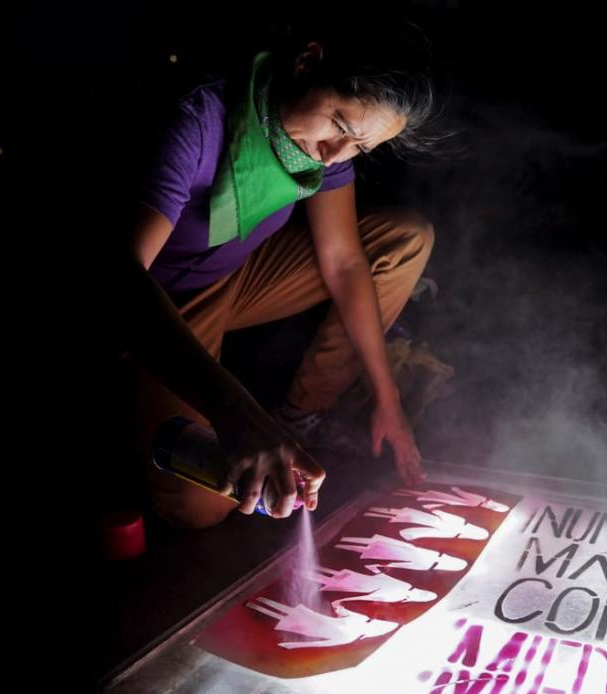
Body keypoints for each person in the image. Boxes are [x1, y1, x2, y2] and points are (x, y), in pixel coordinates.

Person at [118, 21, 440, 528]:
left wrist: (388, 399)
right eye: (339, 124)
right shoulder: (197, 120)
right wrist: (236, 413)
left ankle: (302, 415)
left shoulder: (321, 147)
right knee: (203, 504)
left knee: (402, 240)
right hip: (155, 297)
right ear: (307, 62)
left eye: (360, 147)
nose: (337, 154)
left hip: (234, 276)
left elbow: (345, 263)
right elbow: (119, 279)